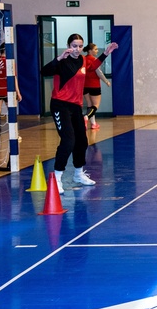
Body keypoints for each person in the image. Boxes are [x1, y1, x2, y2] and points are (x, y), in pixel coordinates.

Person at [41, 33, 118, 194]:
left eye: (80, 46)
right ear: (69, 45)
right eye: (74, 45)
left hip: (76, 106)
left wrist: (106, 53)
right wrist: (59, 58)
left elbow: (93, 66)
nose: (77, 49)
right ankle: (57, 178)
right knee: (68, 140)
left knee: (82, 141)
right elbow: (44, 71)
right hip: (60, 105)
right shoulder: (62, 61)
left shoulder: (83, 60)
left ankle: (78, 174)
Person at [82, 43, 111, 129]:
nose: (97, 51)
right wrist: (106, 81)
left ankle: (93, 123)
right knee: (95, 105)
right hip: (94, 85)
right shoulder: (94, 60)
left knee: (89, 104)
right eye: (95, 49)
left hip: (85, 85)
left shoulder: (83, 59)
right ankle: (86, 116)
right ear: (90, 51)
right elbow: (99, 73)